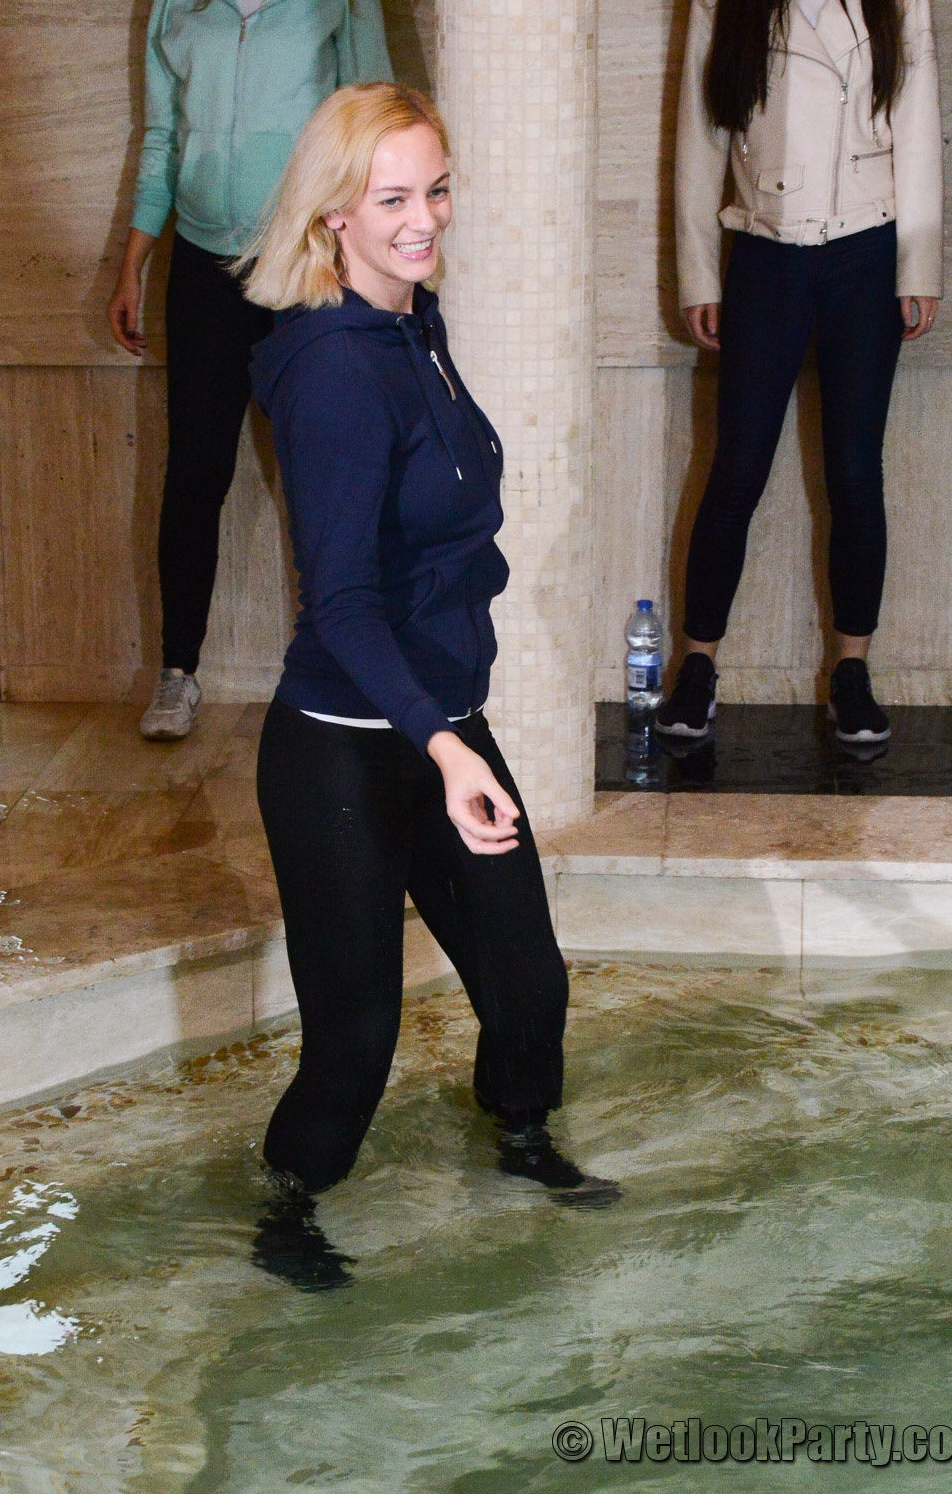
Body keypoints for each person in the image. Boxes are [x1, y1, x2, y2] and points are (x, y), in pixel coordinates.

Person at [241, 83, 612, 1287]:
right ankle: (287, 1210)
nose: (423, 219)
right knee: (356, 1040)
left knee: (528, 983)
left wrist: (453, 732)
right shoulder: (336, 369)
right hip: (343, 750)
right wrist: (447, 751)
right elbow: (341, 604)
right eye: (392, 197)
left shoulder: (416, 326)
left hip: (440, 724)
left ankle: (521, 1140)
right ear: (334, 214)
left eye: (436, 190)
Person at [106, 0, 392, 741]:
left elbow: (373, 127)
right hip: (202, 262)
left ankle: (350, 670)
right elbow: (162, 132)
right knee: (196, 470)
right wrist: (133, 259)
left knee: (328, 475)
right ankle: (177, 672)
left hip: (304, 263)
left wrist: (371, 263)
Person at [662, 0, 943, 744]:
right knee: (736, 469)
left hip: (867, 249)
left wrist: (919, 263)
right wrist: (699, 273)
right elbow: (700, 138)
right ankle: (697, 667)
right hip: (766, 251)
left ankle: (851, 670)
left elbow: (919, 120)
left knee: (855, 473)